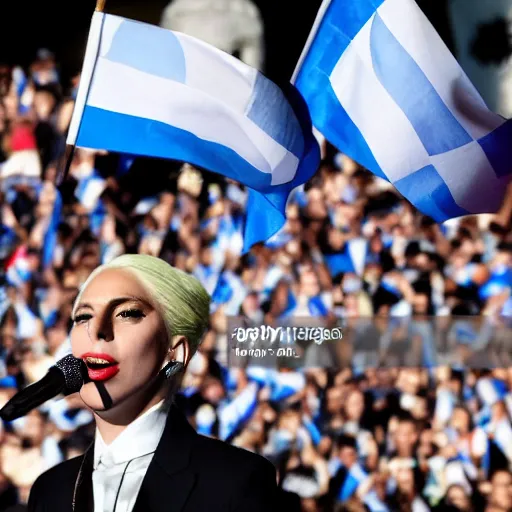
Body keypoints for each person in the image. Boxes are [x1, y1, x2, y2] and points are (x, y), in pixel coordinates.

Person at [27, 254, 277, 512]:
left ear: (175, 353)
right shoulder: (50, 491)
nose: (97, 330)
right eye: (83, 317)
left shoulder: (236, 482)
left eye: (127, 313)